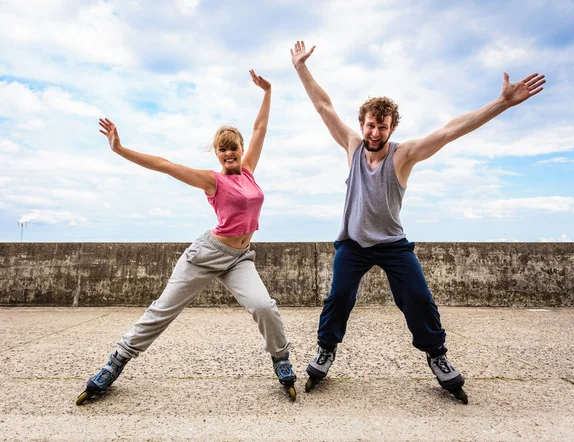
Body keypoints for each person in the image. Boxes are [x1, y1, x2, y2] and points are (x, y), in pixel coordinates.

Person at [290, 41, 545, 403]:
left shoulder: (404, 155)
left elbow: (449, 131)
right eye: (369, 125)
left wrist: (501, 103)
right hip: (353, 243)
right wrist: (301, 68)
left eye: (382, 126)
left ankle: (437, 355)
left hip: (392, 244)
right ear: (362, 125)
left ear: (391, 128)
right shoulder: (352, 146)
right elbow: (323, 106)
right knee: (339, 296)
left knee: (417, 297)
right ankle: (326, 349)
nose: (374, 132)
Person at [76, 70, 298, 404]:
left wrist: (267, 91)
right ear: (217, 153)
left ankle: (280, 359)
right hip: (207, 254)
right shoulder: (213, 181)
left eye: (232, 148)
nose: (228, 153)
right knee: (164, 310)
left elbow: (260, 128)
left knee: (264, 306)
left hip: (239, 258)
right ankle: (116, 361)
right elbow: (165, 165)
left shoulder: (249, 170)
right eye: (222, 150)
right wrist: (119, 149)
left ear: (241, 148)